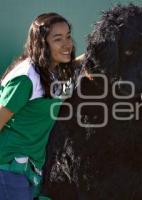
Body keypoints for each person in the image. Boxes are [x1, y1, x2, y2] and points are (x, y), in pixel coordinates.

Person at [0, 12, 75, 200]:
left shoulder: (53, 72)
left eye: (68, 36)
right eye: (58, 39)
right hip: (7, 170)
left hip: (28, 171)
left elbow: (79, 64)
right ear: (42, 43)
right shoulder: (26, 78)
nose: (67, 44)